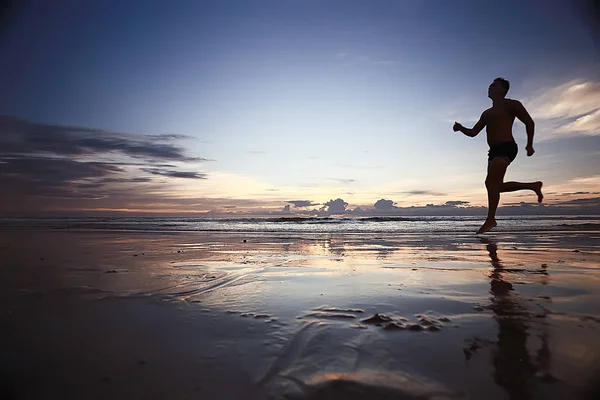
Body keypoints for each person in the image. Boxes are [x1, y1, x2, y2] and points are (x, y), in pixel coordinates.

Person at [453, 77, 543, 234]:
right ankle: (532, 186)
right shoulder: (486, 113)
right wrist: (461, 128)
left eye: (493, 86)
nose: (489, 88)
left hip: (507, 147)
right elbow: (474, 133)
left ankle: (490, 220)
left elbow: (529, 122)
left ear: (503, 89)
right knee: (494, 186)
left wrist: (529, 144)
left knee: (490, 183)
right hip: (493, 152)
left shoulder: (511, 105)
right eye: (489, 86)